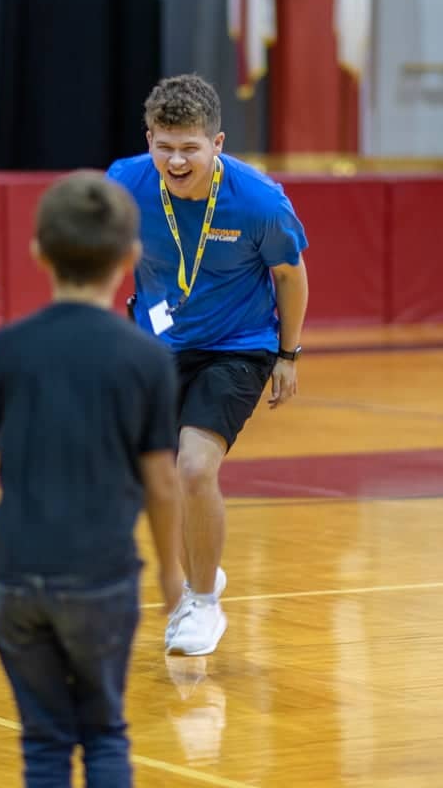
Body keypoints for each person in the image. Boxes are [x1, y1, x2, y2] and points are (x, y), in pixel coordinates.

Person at [0, 171, 185, 787]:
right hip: (101, 577)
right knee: (104, 732)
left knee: (45, 741)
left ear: (38, 253)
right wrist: (173, 572)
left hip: (16, 573)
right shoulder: (148, 358)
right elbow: (162, 483)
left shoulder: (9, 346)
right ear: (132, 259)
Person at [108, 74, 310, 657]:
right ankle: (203, 571)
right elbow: (103, 252)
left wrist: (287, 354)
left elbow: (291, 275)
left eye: (189, 148)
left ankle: (202, 602)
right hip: (156, 347)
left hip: (238, 345)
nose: (176, 160)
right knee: (162, 479)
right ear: (149, 139)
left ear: (216, 144)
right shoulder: (124, 183)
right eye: (164, 145)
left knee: (196, 466)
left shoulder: (259, 201)